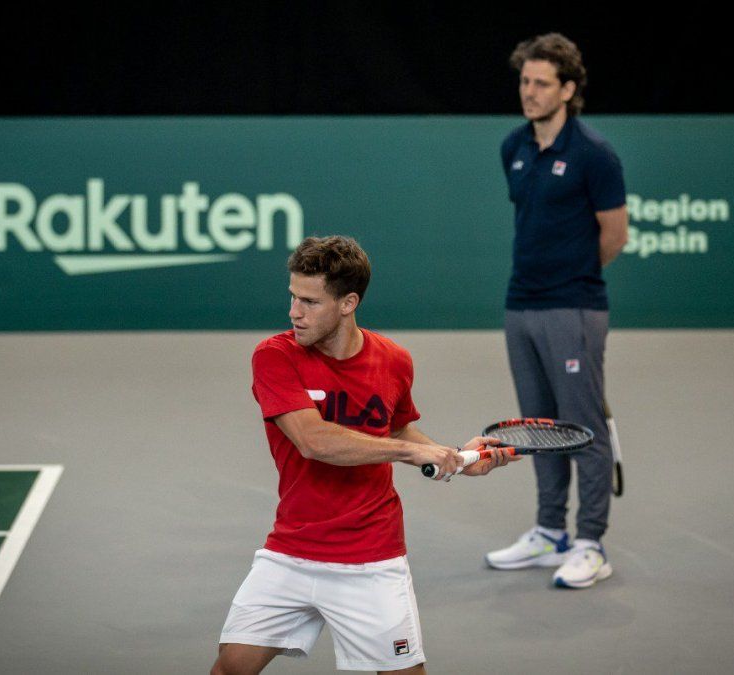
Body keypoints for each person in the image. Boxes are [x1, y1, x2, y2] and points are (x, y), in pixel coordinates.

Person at [212, 235, 517, 675]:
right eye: (293, 297)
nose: (293, 311)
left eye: (310, 301)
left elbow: (395, 427)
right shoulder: (274, 357)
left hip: (371, 557)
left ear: (348, 302)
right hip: (292, 548)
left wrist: (454, 457)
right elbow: (313, 441)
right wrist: (411, 452)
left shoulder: (394, 360)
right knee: (231, 668)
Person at [484, 33, 629, 589]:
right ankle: (550, 533)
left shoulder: (595, 154)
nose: (530, 91)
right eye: (525, 81)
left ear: (568, 89)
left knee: (582, 428)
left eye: (542, 83)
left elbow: (613, 235)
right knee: (539, 428)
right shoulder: (513, 147)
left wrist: (570, 279)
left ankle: (591, 542)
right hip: (520, 305)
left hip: (574, 309)